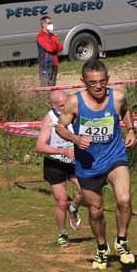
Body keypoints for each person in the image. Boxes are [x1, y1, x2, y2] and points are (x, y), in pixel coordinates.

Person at [55, 59, 136, 270]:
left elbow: (126, 111)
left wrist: (131, 129)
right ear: (84, 81)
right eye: (92, 83)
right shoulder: (74, 102)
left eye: (102, 81)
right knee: (96, 211)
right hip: (88, 162)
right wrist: (75, 139)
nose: (98, 86)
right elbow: (60, 127)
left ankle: (122, 241)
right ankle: (101, 248)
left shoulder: (117, 97)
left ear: (107, 79)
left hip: (114, 156)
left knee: (124, 199)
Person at [35, 93, 81, 247]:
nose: (65, 107)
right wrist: (62, 152)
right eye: (61, 105)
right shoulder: (49, 119)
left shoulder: (76, 114)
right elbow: (40, 146)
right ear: (53, 105)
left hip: (75, 162)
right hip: (55, 163)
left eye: (67, 103)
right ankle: (62, 234)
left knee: (85, 192)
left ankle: (73, 207)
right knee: (61, 201)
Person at [36, 16, 62, 88]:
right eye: (49, 23)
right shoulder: (40, 36)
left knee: (53, 86)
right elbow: (51, 49)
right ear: (44, 25)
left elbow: (60, 47)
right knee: (45, 88)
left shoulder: (52, 35)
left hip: (54, 64)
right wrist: (55, 40)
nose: (51, 25)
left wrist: (54, 40)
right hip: (45, 65)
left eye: (51, 23)